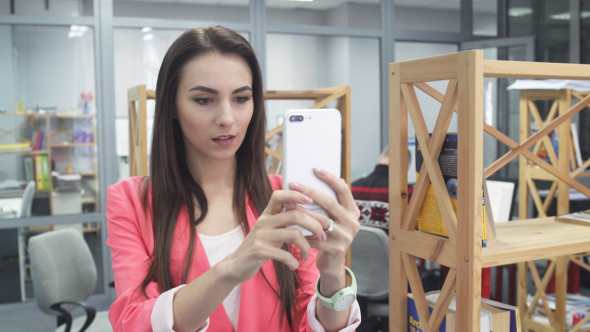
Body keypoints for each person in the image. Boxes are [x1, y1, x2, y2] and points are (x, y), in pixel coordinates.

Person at [106, 26, 362, 332]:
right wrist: (231, 268)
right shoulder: (132, 201)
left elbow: (311, 324)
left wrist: (333, 272)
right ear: (172, 106)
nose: (227, 117)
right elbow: (132, 321)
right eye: (204, 100)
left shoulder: (285, 195)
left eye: (241, 98)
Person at [351, 146, 413, 230]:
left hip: (354, 243)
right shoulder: (406, 192)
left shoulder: (353, 187)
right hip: (392, 243)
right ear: (406, 166)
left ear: (380, 159)